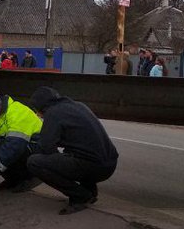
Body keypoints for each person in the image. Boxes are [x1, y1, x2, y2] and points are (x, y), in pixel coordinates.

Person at [26, 86, 119, 214]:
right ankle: (90, 192)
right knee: (75, 153)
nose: (38, 114)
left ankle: (80, 196)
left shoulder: (53, 113)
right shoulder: (78, 105)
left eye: (37, 110)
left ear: (42, 107)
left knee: (34, 162)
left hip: (94, 166)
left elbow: (46, 147)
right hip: (110, 163)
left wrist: (55, 163)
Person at [0, 88, 43, 191]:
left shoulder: (17, 112)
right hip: (21, 148)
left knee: (0, 147)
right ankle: (13, 180)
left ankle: (29, 178)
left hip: (36, 151)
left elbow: (14, 145)